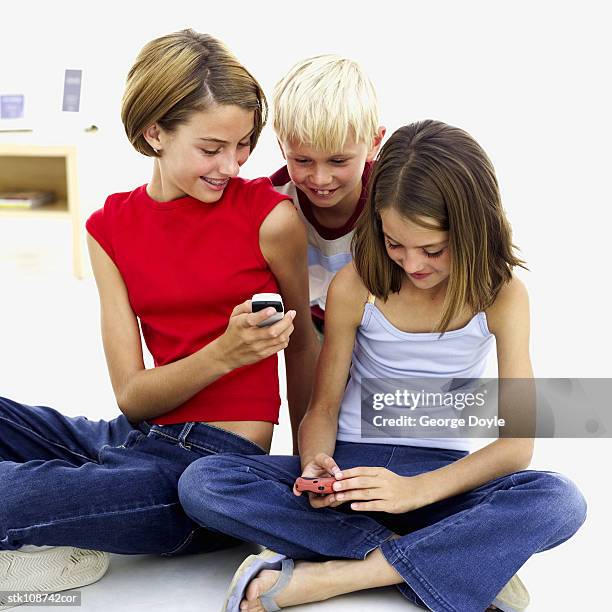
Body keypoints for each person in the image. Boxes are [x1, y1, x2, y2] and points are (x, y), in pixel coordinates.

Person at [177, 120, 587, 612]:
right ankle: (449, 561)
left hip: (440, 484)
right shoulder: (356, 285)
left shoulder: (502, 296)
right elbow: (322, 409)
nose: (413, 264)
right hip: (354, 473)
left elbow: (517, 445)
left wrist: (414, 492)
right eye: (396, 244)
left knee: (559, 500)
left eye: (433, 249)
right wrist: (316, 466)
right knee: (203, 482)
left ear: (473, 228)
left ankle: (339, 575)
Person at [0, 29, 318, 606]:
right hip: (135, 436)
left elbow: (302, 348)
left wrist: (307, 463)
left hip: (207, 467)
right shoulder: (110, 228)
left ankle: (54, 526)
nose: (232, 164)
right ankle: (64, 529)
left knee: (12, 495)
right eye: (211, 147)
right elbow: (133, 396)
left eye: (243, 144)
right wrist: (225, 352)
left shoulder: (270, 220)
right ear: (155, 132)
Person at [269, 55, 385, 337]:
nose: (320, 179)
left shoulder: (393, 195)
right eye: (303, 161)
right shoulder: (271, 204)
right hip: (312, 324)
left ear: (373, 144)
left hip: (384, 321)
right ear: (283, 148)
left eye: (338, 161)